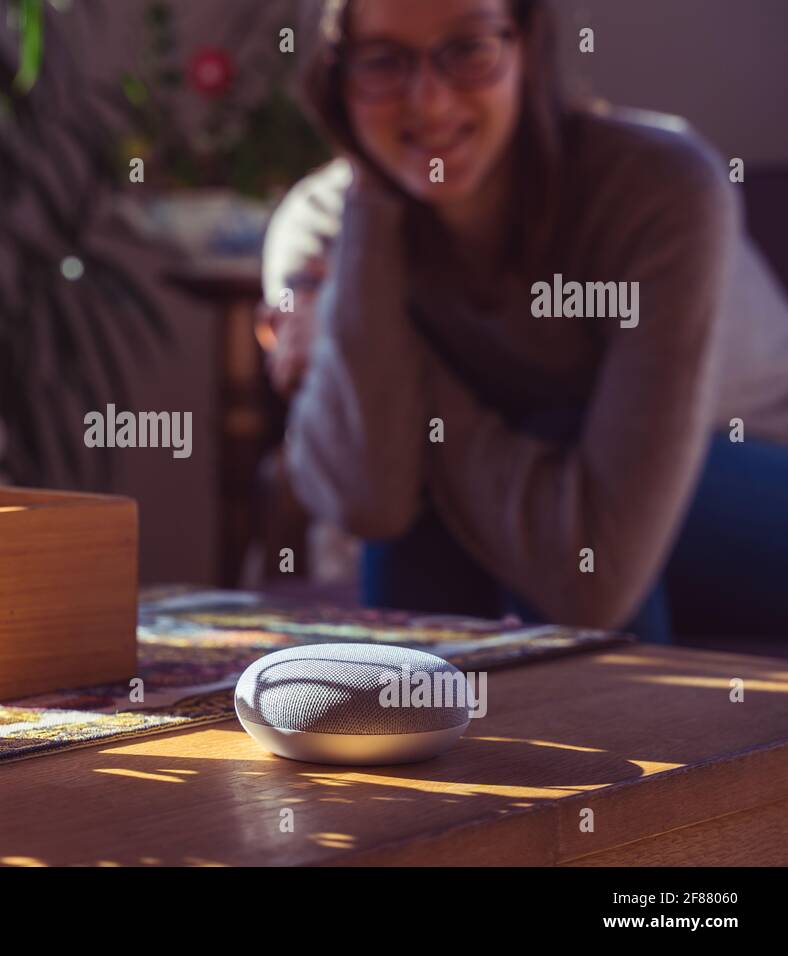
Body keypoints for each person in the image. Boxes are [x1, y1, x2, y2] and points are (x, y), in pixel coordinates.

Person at [263, 0, 788, 641]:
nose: (427, 102)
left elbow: (591, 581)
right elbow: (368, 500)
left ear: (527, 48)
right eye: (382, 61)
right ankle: (411, 727)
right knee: (428, 514)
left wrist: (383, 362)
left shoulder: (661, 187)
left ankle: (635, 740)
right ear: (338, 77)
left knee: (553, 441)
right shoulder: (321, 226)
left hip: (749, 470)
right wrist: (373, 209)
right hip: (548, 520)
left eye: (468, 47)